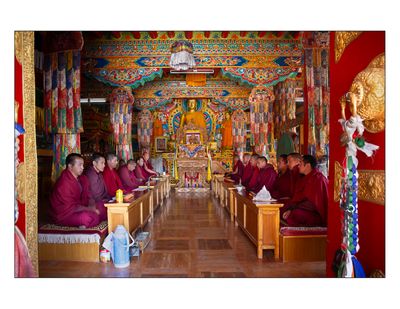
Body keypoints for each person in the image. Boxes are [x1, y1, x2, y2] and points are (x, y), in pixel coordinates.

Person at [49, 153, 103, 228]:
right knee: (86, 218)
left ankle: (84, 223)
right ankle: (83, 223)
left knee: (102, 207)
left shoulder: (83, 179)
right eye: (79, 165)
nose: (82, 168)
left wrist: (92, 205)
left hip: (82, 208)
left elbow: (89, 195)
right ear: (70, 166)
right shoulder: (64, 183)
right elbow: (71, 207)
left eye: (83, 165)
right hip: (64, 214)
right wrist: (91, 209)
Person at [281, 155, 329, 227]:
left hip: (314, 213)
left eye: (300, 163)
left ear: (308, 165)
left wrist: (293, 209)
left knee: (295, 215)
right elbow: (298, 197)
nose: (298, 166)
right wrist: (290, 208)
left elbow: (312, 203)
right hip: (302, 208)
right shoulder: (304, 178)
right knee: (282, 208)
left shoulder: (318, 179)